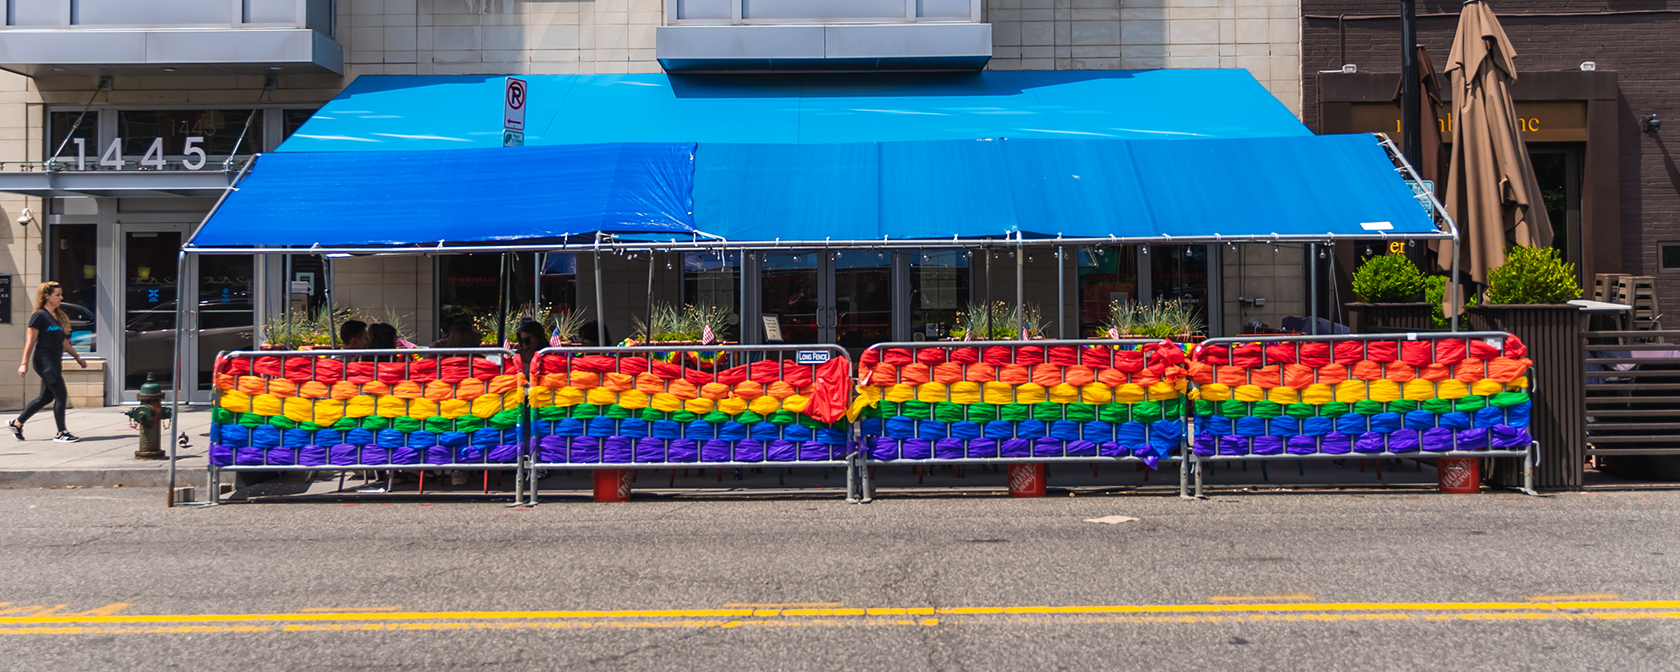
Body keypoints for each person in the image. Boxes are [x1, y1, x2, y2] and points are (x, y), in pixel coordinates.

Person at [11, 282, 88, 442]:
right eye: (57, 295)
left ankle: (17, 423)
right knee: (61, 393)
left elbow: (63, 342)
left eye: (61, 294)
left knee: (45, 398)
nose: (61, 297)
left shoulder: (57, 316)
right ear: (47, 296)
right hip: (43, 360)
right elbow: (30, 342)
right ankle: (61, 433)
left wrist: (77, 357)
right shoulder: (39, 316)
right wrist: (23, 363)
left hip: (54, 361)